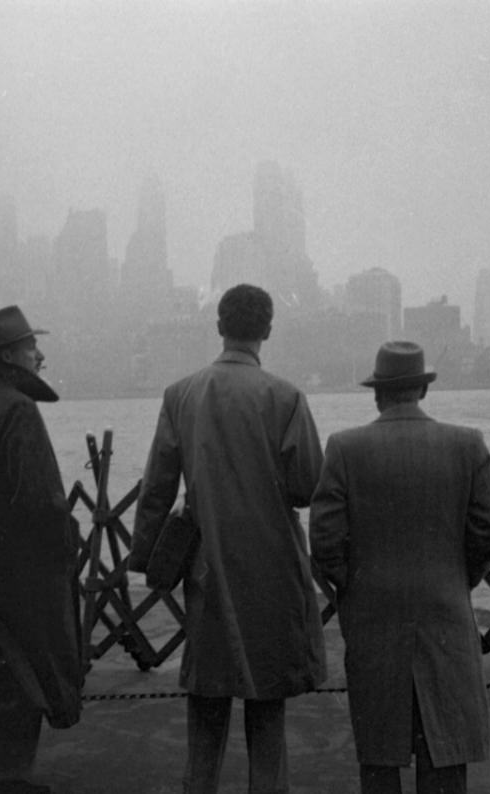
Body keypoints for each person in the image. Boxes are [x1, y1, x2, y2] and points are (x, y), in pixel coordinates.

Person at [130, 283, 327, 794]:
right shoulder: (285, 397)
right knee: (267, 705)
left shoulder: (181, 394)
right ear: (267, 330)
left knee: (207, 697)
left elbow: (156, 488)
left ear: (219, 326)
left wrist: (147, 557)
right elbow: (309, 486)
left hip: (206, 566)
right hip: (272, 566)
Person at [309, 340, 490, 794]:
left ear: (377, 393)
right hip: (446, 619)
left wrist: (353, 587)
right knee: (445, 755)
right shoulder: (466, 444)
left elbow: (323, 542)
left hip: (373, 624)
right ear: (422, 389)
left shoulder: (344, 448)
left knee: (379, 757)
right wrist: (459, 579)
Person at [0, 305, 82, 794]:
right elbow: (42, 500)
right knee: (25, 664)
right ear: (9, 354)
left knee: (2, 658)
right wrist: (68, 542)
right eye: (31, 347)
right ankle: (2, 774)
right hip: (23, 565)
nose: (39, 356)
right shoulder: (16, 409)